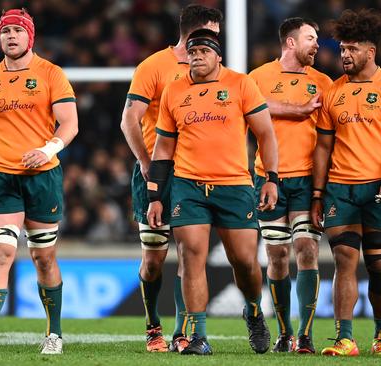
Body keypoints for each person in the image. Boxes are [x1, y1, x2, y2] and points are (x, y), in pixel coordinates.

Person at [146, 29, 278, 356]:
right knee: (192, 257)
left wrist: (272, 178)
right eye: (193, 52)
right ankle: (199, 336)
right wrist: (155, 196)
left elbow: (266, 134)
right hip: (189, 185)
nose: (197, 56)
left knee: (245, 262)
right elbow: (163, 149)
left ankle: (253, 309)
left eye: (204, 51)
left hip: (234, 185)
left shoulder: (240, 84)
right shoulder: (174, 91)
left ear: (218, 55)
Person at [0, 8, 78, 355]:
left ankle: (54, 333)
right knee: (0, 254)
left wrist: (48, 147)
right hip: (1, 177)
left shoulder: (52, 74)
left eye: (17, 30)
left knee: (44, 259)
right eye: (5, 30)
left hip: (42, 178)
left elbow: (69, 123)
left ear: (30, 37)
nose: (10, 35)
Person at [311, 9, 381, 357]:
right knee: (343, 258)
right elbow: (323, 146)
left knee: (378, 265)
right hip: (340, 188)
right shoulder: (333, 92)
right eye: (342, 48)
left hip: (378, 189)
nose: (345, 55)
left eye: (352, 49)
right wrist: (317, 194)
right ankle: (344, 338)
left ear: (370, 52)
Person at [119, 4, 222, 353]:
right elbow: (129, 119)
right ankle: (153, 326)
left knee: (190, 254)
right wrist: (147, 162)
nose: (215, 44)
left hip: (193, 174)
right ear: (197, 30)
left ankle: (181, 332)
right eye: (212, 34)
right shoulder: (154, 66)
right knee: (154, 258)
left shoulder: (213, 68)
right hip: (156, 172)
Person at [248, 17, 332, 354]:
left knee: (307, 251)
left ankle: (306, 335)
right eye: (311, 38)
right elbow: (253, 108)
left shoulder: (324, 82)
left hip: (308, 179)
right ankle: (283, 332)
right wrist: (296, 110)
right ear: (291, 42)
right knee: (278, 255)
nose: (317, 44)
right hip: (269, 177)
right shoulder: (259, 78)